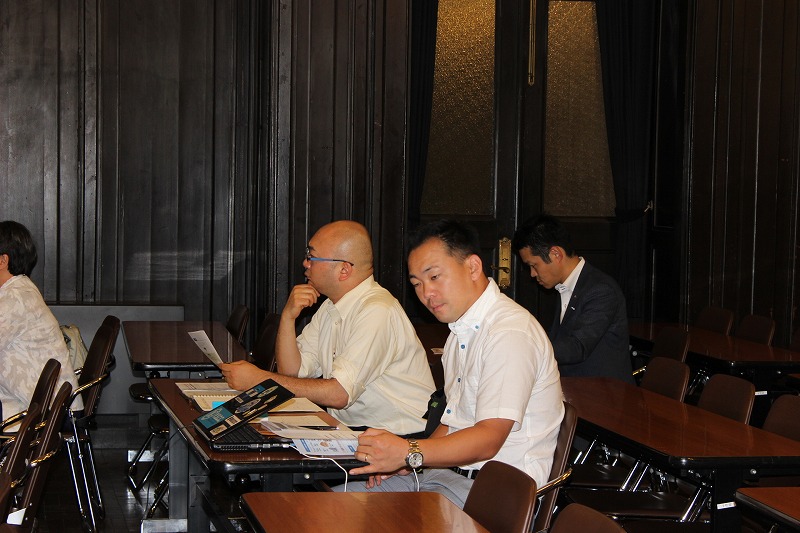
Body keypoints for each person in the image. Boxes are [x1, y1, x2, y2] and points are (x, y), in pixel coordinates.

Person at [339, 219, 563, 508]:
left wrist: (409, 451)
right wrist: (409, 460)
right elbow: (453, 421)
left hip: (495, 495)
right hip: (445, 475)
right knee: (334, 504)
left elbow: (488, 439)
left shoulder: (509, 332)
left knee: (357, 518)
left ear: (473, 267)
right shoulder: (460, 331)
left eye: (434, 277)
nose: (426, 293)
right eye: (417, 284)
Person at [220, 220, 435, 437]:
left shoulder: (377, 310)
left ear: (344, 270)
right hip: (359, 432)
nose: (305, 263)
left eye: (311, 257)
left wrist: (260, 380)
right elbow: (292, 373)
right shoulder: (331, 306)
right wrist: (288, 317)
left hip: (403, 438)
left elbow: (339, 394)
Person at [511, 214, 634, 383]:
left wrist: (527, 348)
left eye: (534, 265)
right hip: (577, 387)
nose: (532, 274)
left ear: (556, 254)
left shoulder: (601, 290)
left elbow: (578, 347)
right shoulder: (566, 285)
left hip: (605, 392)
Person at [0, 220, 83, 422]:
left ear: (3, 260)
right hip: (39, 401)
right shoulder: (20, 289)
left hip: (43, 411)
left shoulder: (15, 298)